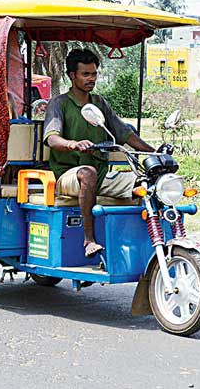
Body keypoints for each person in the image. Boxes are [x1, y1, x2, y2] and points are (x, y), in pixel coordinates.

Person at [43, 49, 155, 257]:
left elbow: (124, 134)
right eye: (85, 74)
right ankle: (89, 240)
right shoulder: (59, 104)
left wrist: (155, 153)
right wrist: (72, 144)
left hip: (101, 173)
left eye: (94, 74)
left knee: (146, 182)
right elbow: (52, 138)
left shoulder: (99, 103)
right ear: (72, 75)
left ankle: (146, 244)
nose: (91, 79)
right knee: (88, 174)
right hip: (68, 175)